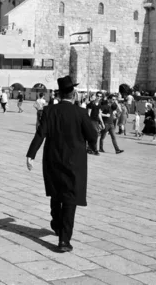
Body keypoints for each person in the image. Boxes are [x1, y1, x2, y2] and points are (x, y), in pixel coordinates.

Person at [26, 76, 97, 253]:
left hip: (53, 159)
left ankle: (56, 221)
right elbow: (93, 136)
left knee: (56, 193)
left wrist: (31, 154)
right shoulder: (80, 113)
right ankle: (64, 240)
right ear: (74, 94)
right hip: (75, 163)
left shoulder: (49, 111)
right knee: (70, 199)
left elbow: (40, 134)